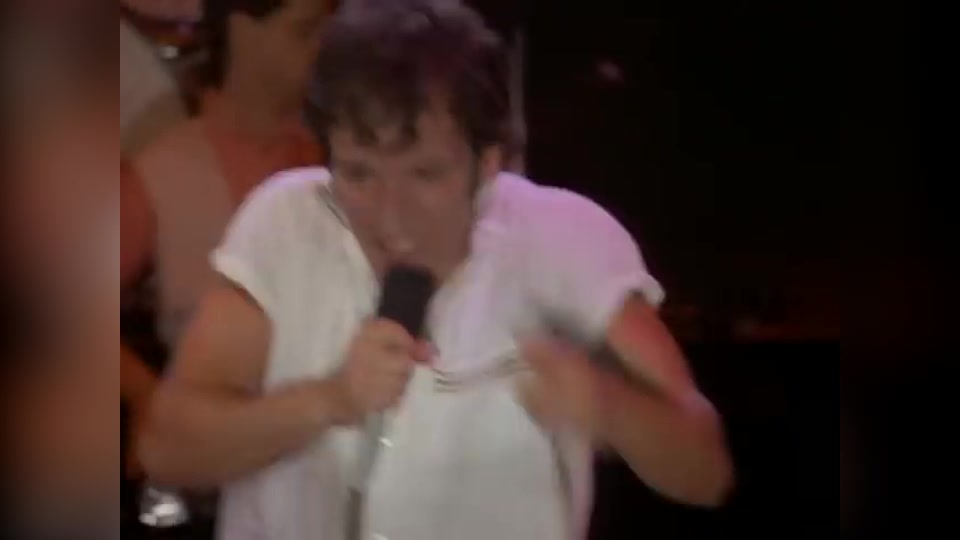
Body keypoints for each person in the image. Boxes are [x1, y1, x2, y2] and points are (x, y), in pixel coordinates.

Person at [141, 2, 735, 539]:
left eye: (425, 174)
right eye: (358, 173)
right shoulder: (285, 223)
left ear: (489, 163)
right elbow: (166, 449)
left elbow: (706, 474)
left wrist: (608, 404)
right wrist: (328, 400)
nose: (389, 213)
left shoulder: (565, 239)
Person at [121, 0, 336, 487]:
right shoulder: (164, 171)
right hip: (222, 472)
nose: (324, 47)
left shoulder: (348, 158)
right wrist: (145, 394)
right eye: (305, 31)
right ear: (243, 31)